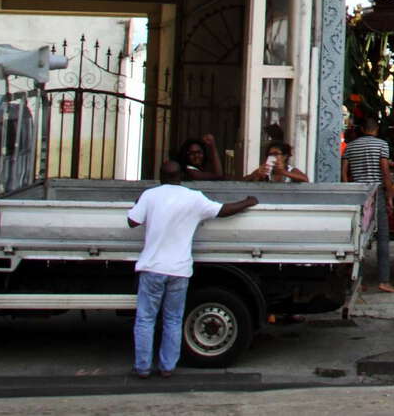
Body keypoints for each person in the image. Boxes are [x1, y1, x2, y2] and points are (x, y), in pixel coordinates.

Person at [125, 161, 256, 379]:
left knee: (146, 320)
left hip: (152, 268)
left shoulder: (150, 195)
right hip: (179, 270)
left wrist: (139, 202)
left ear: (160, 176)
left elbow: (132, 222)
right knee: (173, 320)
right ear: (181, 177)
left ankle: (142, 367)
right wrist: (247, 202)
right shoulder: (193, 197)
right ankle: (167, 367)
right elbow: (223, 210)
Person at [341, 116, 394, 295]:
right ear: (376, 129)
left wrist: (350, 191)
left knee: (360, 237)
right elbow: (385, 171)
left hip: (358, 194)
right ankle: (384, 281)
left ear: (362, 129)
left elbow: (344, 173)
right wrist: (389, 196)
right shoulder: (381, 145)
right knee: (383, 238)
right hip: (376, 192)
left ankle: (359, 280)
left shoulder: (350, 146)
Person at [244, 141, 310, 183]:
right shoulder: (265, 169)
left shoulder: (290, 170)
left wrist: (283, 172)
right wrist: (256, 174)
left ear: (285, 156)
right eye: (270, 154)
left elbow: (305, 179)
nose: (272, 156)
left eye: (276, 154)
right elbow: (243, 181)